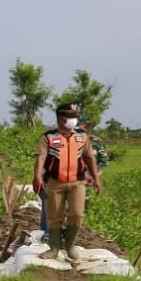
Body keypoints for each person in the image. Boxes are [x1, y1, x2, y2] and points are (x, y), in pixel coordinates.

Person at [33, 102, 101, 261]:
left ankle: (70, 246)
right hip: (55, 182)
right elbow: (40, 158)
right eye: (70, 117)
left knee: (77, 213)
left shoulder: (82, 137)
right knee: (54, 216)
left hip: (77, 183)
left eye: (75, 117)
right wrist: (37, 177)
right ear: (60, 118)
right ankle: (54, 248)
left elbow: (89, 158)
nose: (73, 120)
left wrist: (96, 179)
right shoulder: (48, 137)